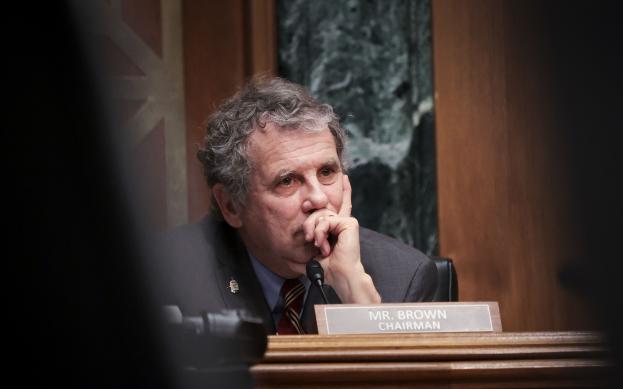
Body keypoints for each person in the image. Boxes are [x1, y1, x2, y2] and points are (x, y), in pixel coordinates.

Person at [160, 77, 446, 334]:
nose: (319, 199)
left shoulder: (404, 278)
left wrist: (356, 296)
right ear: (232, 205)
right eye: (287, 181)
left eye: (327, 172)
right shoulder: (165, 277)